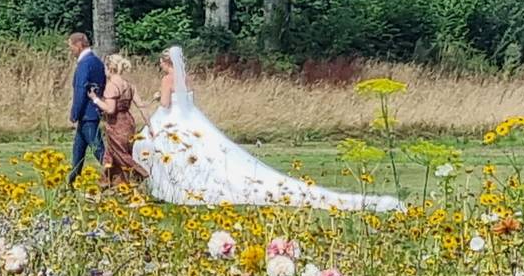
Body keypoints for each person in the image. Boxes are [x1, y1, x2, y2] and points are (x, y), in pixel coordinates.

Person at [131, 46, 403, 212]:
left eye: (161, 63)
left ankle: (171, 188)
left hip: (172, 118)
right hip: (191, 119)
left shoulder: (168, 79)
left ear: (167, 63)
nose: (160, 66)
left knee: (153, 146)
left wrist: (156, 97)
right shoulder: (186, 77)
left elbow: (167, 103)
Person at [88, 54, 149, 186]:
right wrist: (150, 126)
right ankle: (105, 185)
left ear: (110, 68)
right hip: (128, 122)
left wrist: (95, 99)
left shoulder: (112, 86)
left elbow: (110, 109)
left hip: (116, 124)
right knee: (110, 156)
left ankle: (141, 174)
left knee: (121, 154)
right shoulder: (129, 85)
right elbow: (141, 106)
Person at [66, 32, 105, 187]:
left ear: (79, 45)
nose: (71, 51)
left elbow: (81, 89)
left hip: (87, 113)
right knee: (78, 150)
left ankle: (115, 176)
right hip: (93, 110)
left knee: (97, 148)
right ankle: (72, 182)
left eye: (71, 47)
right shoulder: (97, 61)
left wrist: (75, 113)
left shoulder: (85, 63)